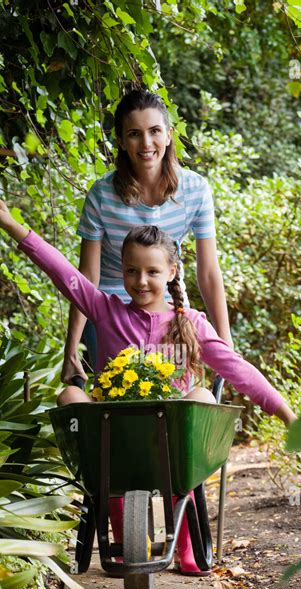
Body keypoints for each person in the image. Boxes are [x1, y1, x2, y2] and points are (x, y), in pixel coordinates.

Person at [0, 190, 297, 576]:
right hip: (116, 439)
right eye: (131, 271)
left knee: (198, 394)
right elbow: (64, 274)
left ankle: (186, 538)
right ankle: (124, 529)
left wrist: (286, 414)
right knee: (71, 393)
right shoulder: (106, 311)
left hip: (174, 443)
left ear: (172, 272)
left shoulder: (190, 324)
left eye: (152, 272)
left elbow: (237, 369)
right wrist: (13, 225)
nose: (141, 281)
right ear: (122, 271)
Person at [61, 89, 233, 387]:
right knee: (119, 391)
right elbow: (87, 276)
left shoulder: (195, 190)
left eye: (154, 131)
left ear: (169, 135)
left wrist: (225, 346)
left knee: (173, 391)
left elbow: (207, 273)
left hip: (167, 301)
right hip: (111, 307)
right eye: (134, 134)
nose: (146, 143)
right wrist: (71, 348)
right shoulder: (102, 194)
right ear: (121, 142)